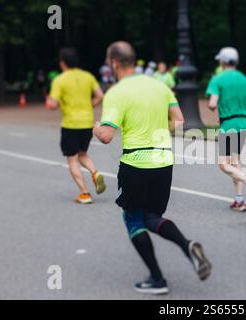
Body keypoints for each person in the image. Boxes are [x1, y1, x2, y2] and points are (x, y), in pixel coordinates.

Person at [93, 41, 212, 295]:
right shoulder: (160, 86)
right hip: (163, 161)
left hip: (135, 162)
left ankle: (157, 279)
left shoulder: (117, 92)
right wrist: (157, 131)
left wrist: (95, 127)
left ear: (114, 62)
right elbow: (179, 120)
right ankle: (186, 245)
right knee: (151, 217)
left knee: (133, 218)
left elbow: (105, 136)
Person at [46, 48, 106, 204]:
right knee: (83, 154)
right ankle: (95, 173)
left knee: (72, 159)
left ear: (62, 63)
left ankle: (85, 194)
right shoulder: (88, 76)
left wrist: (51, 103)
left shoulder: (60, 80)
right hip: (87, 122)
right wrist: (90, 105)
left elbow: (52, 104)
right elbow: (100, 96)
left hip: (71, 124)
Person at [206, 47, 246, 212]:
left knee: (223, 164)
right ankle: (239, 200)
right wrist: (240, 113)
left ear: (222, 61)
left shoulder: (218, 79)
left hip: (228, 125)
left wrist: (221, 112)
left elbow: (211, 104)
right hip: (242, 123)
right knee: (235, 161)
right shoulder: (244, 79)